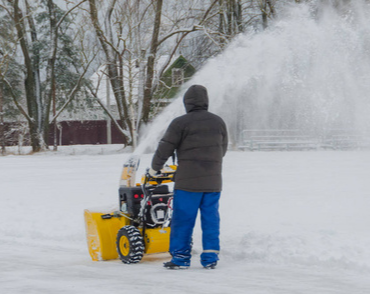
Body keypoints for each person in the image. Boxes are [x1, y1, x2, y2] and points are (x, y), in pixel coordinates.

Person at [149, 84, 228, 270]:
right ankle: (210, 257)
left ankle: (181, 258)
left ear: (187, 102)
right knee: (211, 219)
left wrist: (155, 169)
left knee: (183, 219)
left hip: (187, 183)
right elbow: (222, 149)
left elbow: (165, 148)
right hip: (213, 182)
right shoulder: (218, 122)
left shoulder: (180, 123)